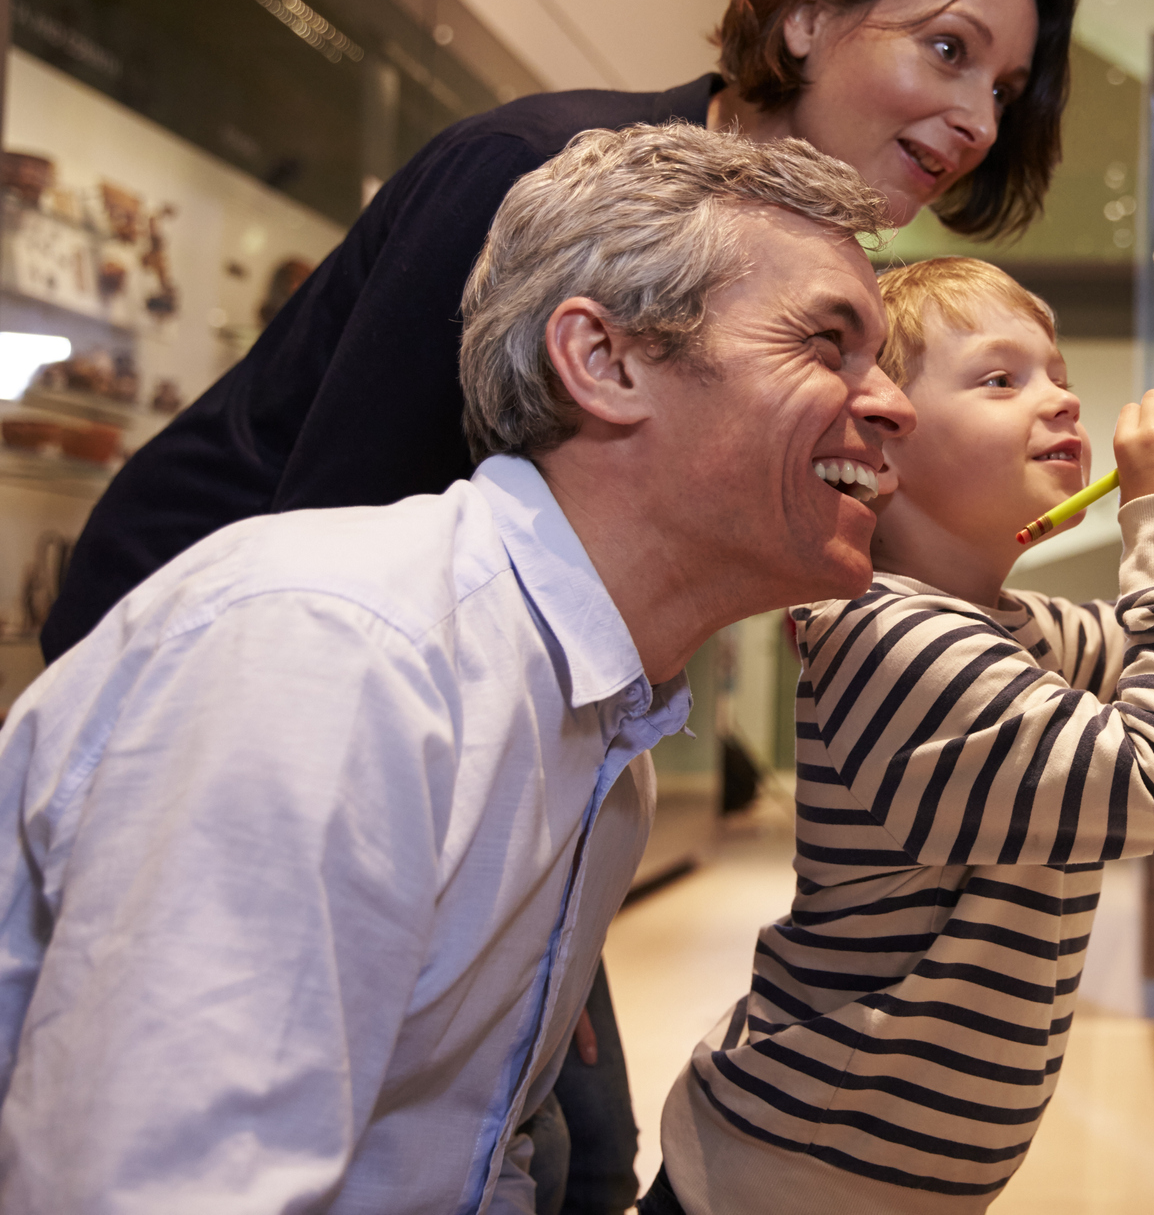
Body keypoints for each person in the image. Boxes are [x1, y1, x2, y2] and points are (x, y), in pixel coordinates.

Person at [32, 0, 1075, 1214]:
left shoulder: (594, 718)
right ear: (811, 13)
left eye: (1008, 86)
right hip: (257, 697)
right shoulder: (525, 180)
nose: (978, 120)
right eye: (947, 48)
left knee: (552, 1139)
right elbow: (335, 540)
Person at [0, 125, 916, 1212]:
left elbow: (474, 1154)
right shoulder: (339, 658)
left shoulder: (603, 736)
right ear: (606, 361)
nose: (895, 404)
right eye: (826, 343)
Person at [644, 257, 1154, 1213]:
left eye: (1055, 373)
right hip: (797, 1170)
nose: (1060, 401)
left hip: (889, 1175)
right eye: (1001, 379)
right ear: (882, 440)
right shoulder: (885, 633)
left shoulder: (1014, 625)